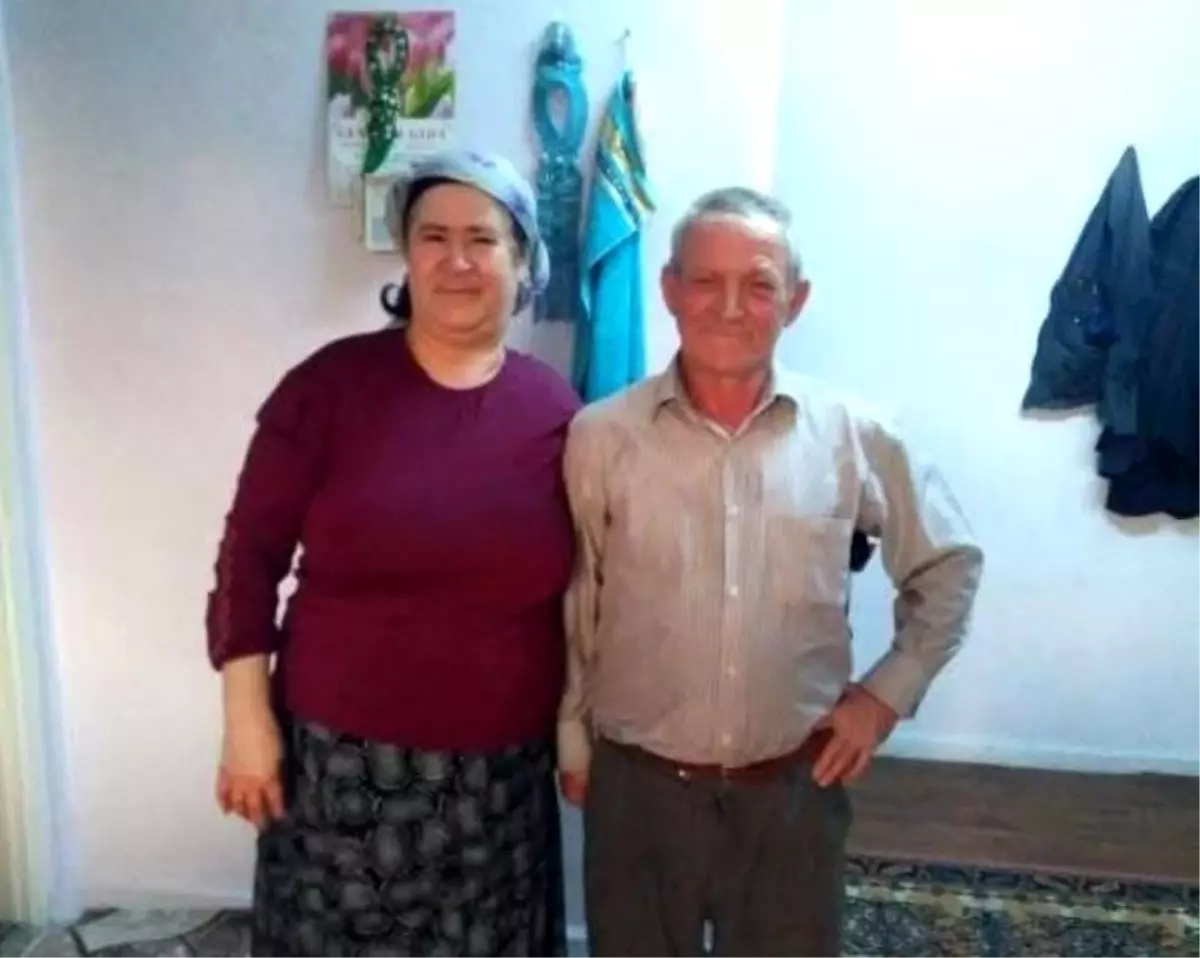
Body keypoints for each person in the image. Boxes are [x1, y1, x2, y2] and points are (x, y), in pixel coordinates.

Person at [556, 187, 984, 957]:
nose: (730, 307)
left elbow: (949, 563)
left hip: (793, 793)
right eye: (705, 281)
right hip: (638, 793)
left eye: (758, 284)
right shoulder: (601, 436)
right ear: (670, 290)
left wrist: (883, 697)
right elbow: (581, 595)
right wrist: (571, 738)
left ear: (796, 299)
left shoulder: (854, 435)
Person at [205, 149, 579, 957]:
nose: (456, 260)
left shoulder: (556, 408)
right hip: (341, 765)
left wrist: (575, 727)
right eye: (432, 236)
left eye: (482, 239)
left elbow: (582, 592)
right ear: (406, 255)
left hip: (502, 778)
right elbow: (248, 558)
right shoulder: (327, 388)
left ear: (523, 260)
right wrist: (245, 720)